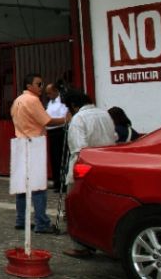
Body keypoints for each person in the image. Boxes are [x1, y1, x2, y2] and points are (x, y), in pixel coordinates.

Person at [10, 73, 69, 234]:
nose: (41, 87)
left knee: (22, 186)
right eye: (39, 84)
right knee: (38, 185)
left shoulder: (17, 101)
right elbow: (47, 121)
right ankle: (42, 222)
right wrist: (66, 120)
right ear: (29, 86)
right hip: (33, 143)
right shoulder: (32, 100)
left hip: (20, 142)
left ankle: (21, 219)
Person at [61, 90, 117, 258]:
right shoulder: (104, 114)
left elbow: (79, 149)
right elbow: (113, 137)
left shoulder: (79, 119)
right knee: (103, 207)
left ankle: (81, 246)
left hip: (85, 167)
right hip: (106, 165)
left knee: (78, 208)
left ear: (73, 106)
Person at [44, 83, 69, 192]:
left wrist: (49, 122)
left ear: (55, 91)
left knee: (61, 158)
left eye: (49, 93)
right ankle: (57, 182)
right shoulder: (50, 102)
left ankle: (63, 183)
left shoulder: (62, 102)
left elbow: (65, 119)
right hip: (51, 132)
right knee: (54, 159)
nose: (48, 95)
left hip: (60, 131)